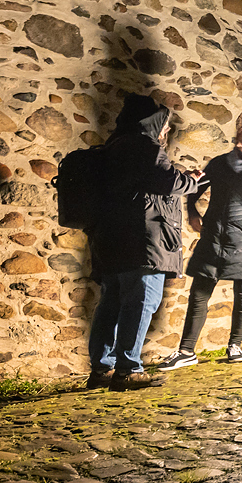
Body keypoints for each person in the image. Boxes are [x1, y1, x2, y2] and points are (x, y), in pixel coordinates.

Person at [85, 93, 202, 391]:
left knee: (110, 303)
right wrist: (191, 180)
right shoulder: (143, 146)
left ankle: (101, 369)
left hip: (109, 239)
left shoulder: (113, 147)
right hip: (142, 239)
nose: (165, 133)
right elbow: (168, 182)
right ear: (153, 123)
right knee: (141, 302)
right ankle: (129, 370)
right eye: (164, 127)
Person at [154, 123, 242, 370]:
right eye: (238, 139)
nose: (239, 145)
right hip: (215, 231)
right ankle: (186, 351)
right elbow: (196, 187)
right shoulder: (220, 163)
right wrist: (192, 211)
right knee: (199, 291)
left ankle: (234, 345)